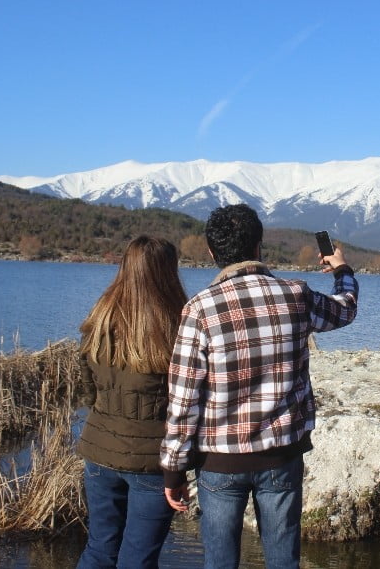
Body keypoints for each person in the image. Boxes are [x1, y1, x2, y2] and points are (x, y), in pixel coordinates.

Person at [160, 204, 359, 569]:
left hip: (219, 462)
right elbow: (345, 308)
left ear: (211, 252)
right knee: (283, 562)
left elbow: (183, 399)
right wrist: (341, 269)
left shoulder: (199, 309)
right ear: (259, 246)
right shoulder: (296, 295)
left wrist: (173, 469)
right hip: (281, 456)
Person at [76, 235, 188, 569]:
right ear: (168, 272)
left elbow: (88, 391)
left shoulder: (100, 319)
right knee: (137, 559)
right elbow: (185, 405)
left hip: (98, 452)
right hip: (153, 463)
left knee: (99, 550)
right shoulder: (176, 326)